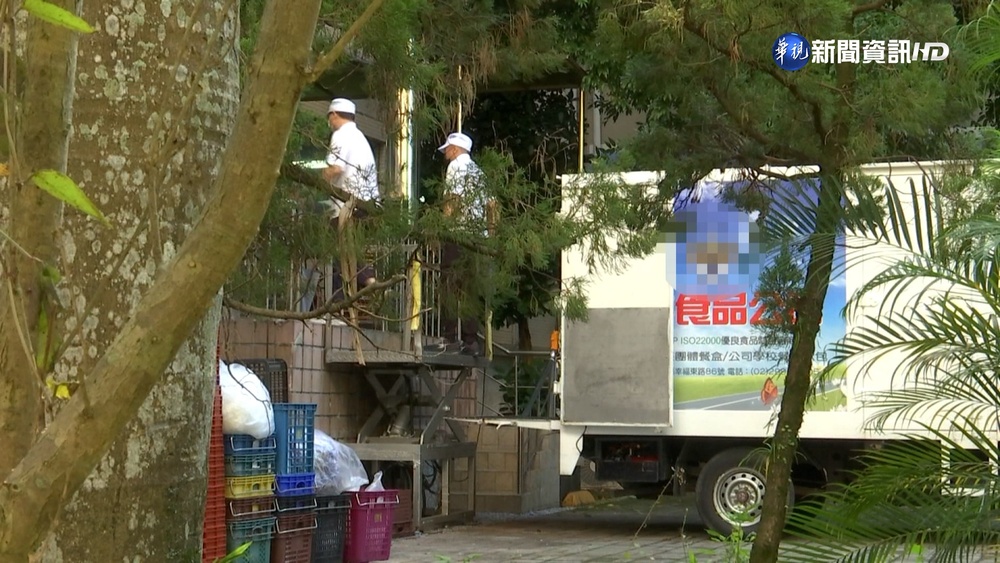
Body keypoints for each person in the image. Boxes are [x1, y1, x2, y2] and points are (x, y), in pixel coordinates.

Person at [436, 132, 489, 355]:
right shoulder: (479, 171)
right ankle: (471, 340)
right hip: (477, 237)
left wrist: (443, 227)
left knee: (449, 283)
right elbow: (492, 204)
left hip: (458, 234)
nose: (446, 153)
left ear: (456, 149)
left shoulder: (456, 167)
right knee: (470, 289)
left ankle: (449, 337)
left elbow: (453, 199)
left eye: (448, 149)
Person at [322, 98, 379, 296]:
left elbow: (336, 169)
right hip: (367, 204)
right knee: (351, 250)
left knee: (340, 252)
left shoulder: (340, 135)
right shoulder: (360, 138)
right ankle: (366, 279)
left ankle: (362, 283)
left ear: (334, 115)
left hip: (346, 205)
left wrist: (320, 177)